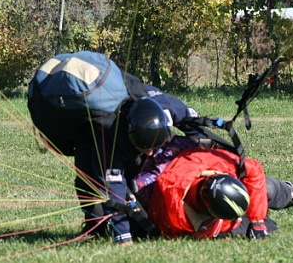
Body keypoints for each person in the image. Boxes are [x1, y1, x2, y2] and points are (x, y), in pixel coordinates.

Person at [27, 51, 224, 245]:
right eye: (145, 148)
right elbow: (114, 191)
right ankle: (95, 227)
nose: (150, 153)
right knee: (89, 176)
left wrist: (219, 155)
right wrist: (123, 237)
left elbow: (195, 126)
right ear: (132, 137)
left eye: (155, 146)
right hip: (87, 134)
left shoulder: (167, 106)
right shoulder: (109, 143)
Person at [131, 136, 293, 240]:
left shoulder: (210, 161)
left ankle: (291, 193)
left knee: (265, 189)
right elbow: (185, 234)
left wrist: (257, 220)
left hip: (208, 200)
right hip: (212, 222)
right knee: (265, 228)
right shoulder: (176, 219)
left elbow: (252, 168)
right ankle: (260, 218)